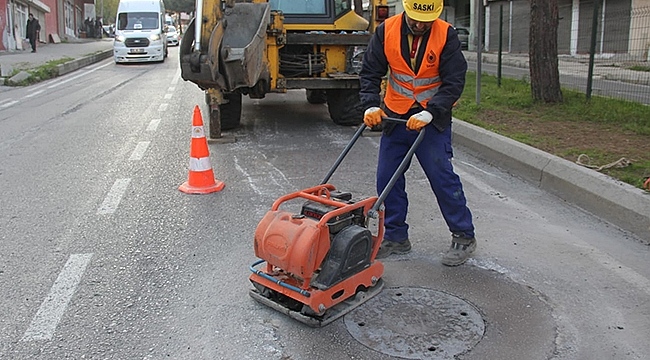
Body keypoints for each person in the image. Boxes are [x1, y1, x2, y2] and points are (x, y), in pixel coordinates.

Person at [359, 0, 476, 266]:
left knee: (441, 176)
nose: (420, 25)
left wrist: (432, 111)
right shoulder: (386, 31)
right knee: (387, 179)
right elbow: (370, 72)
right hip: (395, 116)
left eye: (426, 21)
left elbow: (454, 81)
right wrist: (370, 105)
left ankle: (464, 236)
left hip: (430, 120)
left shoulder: (446, 35)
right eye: (415, 20)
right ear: (406, 10)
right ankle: (396, 237)